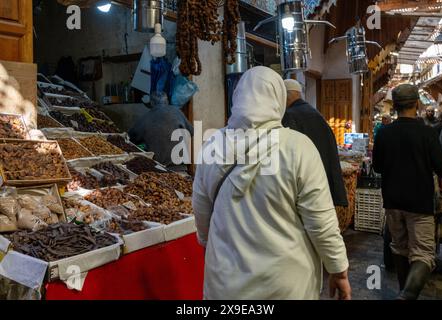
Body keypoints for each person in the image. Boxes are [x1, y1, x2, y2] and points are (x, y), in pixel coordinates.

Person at [193, 66, 351, 300]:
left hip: (226, 286)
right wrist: (338, 270)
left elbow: (202, 217)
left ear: (238, 97)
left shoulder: (212, 145)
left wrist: (217, 249)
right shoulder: (297, 147)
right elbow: (321, 222)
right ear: (278, 99)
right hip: (285, 287)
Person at [373, 83, 442, 300]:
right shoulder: (427, 133)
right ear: (416, 104)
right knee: (424, 254)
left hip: (392, 200)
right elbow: (441, 168)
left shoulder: (384, 133)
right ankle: (407, 295)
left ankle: (403, 292)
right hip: (420, 201)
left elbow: (377, 167)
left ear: (394, 106)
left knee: (399, 248)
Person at [282, 79, 348, 207]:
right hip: (321, 179)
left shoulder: (290, 115)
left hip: (305, 183)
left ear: (285, 96)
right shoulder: (314, 112)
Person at [128, 92, 193, 166]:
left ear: (151, 103)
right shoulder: (177, 112)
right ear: (167, 101)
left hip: (158, 166)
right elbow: (191, 132)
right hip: (180, 164)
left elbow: (130, 138)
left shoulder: (145, 118)